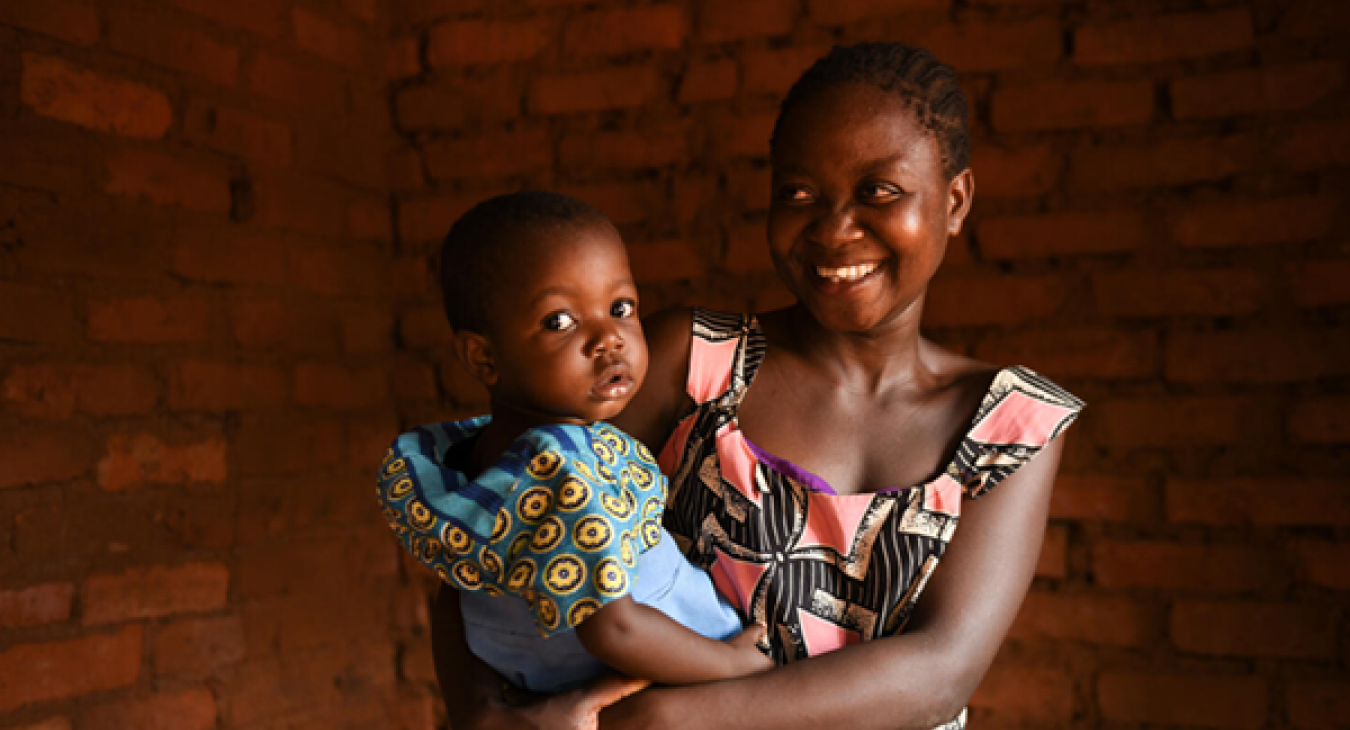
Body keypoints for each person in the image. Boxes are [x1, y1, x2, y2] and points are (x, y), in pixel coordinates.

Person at [428, 43, 1084, 730]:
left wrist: (662, 721)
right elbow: (493, 535)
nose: (834, 230)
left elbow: (940, 671)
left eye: (878, 191)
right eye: (799, 194)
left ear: (955, 200)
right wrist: (480, 712)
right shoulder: (692, 365)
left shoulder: (1008, 427)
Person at [377, 192, 772, 696]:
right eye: (559, 321)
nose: (608, 338)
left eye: (621, 307)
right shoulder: (568, 472)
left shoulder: (470, 460)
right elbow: (614, 629)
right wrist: (734, 665)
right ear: (483, 358)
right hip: (680, 674)